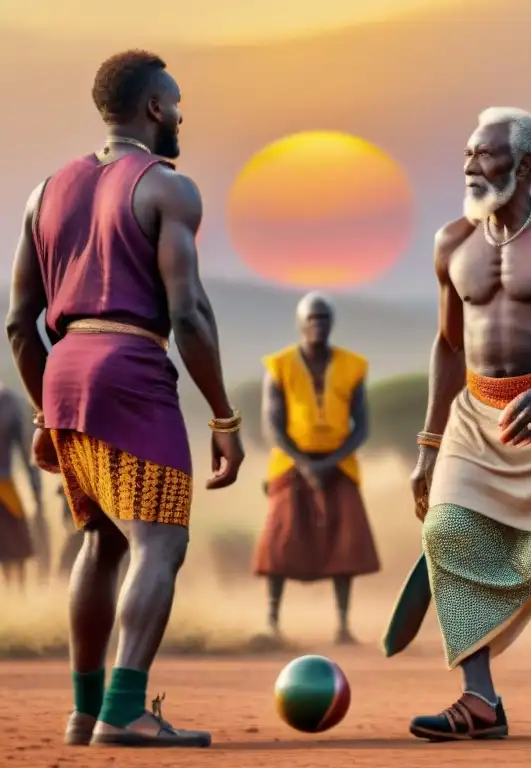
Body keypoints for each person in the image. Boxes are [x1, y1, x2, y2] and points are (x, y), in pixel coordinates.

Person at [5, 49, 244, 748]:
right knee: (160, 542)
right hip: (130, 366)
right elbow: (191, 315)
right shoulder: (167, 188)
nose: (181, 114)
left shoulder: (44, 191)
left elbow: (21, 321)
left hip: (64, 369)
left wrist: (46, 407)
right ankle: (125, 709)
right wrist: (224, 417)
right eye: (175, 102)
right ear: (152, 108)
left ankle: (84, 712)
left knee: (102, 540)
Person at [391, 106, 531, 742]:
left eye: (484, 154)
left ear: (523, 164)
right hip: (475, 416)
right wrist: (429, 444)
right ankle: (479, 698)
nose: (469, 165)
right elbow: (446, 345)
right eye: (467, 152)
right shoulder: (451, 242)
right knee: (446, 530)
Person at [254, 291, 380, 644]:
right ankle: (271, 621)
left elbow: (363, 425)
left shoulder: (352, 365)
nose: (318, 325)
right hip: (292, 463)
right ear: (301, 323)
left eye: (324, 318)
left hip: (339, 464)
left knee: (346, 543)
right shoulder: (279, 366)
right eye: (312, 318)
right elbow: (272, 426)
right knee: (279, 540)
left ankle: (343, 625)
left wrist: (329, 462)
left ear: (332, 323)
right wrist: (305, 463)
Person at [0, 385, 44, 590]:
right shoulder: (8, 401)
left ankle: (17, 593)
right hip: (5, 483)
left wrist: (36, 488)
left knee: (15, 545)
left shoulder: (8, 402)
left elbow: (26, 451)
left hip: (6, 484)